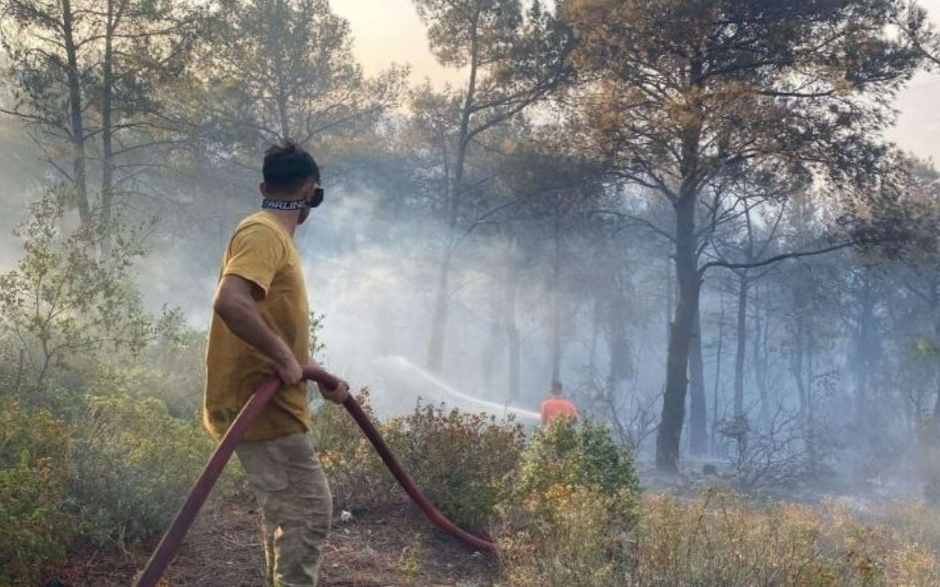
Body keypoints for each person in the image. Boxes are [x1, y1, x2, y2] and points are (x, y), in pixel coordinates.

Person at [203, 140, 349, 587]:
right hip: (261, 406)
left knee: (288, 515)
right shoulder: (264, 232)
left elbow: (260, 315)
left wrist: (307, 367)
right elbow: (231, 301)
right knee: (308, 512)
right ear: (309, 191)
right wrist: (285, 357)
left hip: (265, 401)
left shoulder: (265, 232)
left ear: (264, 186)